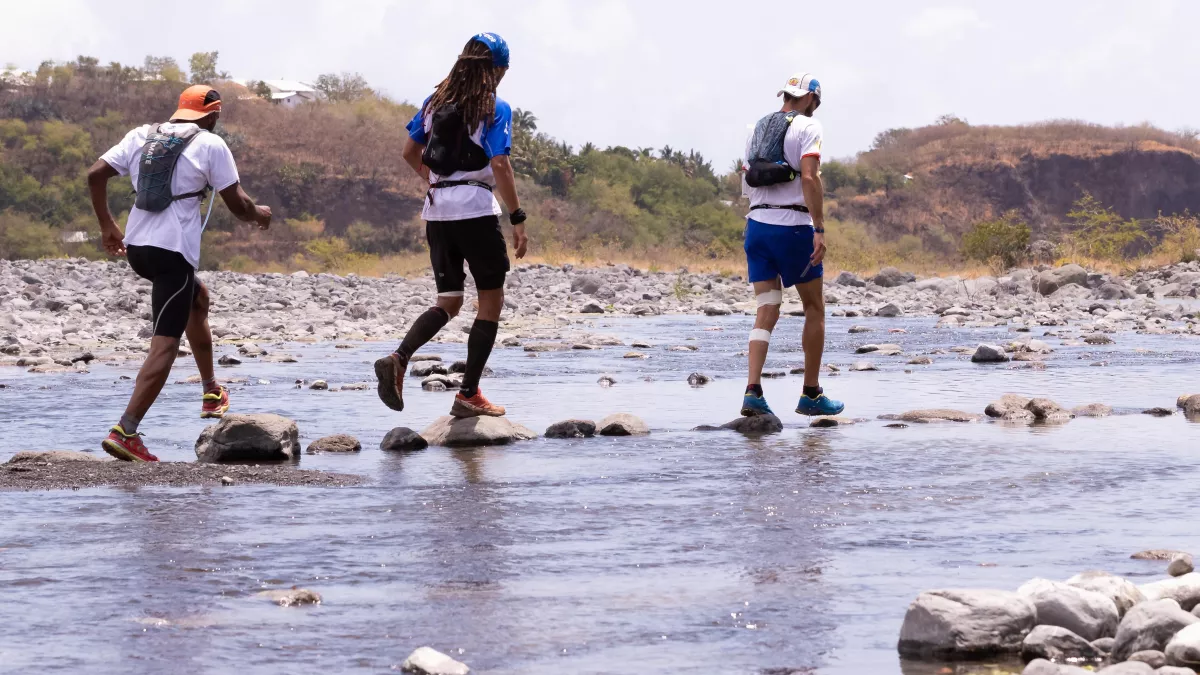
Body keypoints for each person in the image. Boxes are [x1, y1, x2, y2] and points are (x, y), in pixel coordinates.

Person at [88, 84, 272, 461]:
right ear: (214, 115)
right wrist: (259, 215)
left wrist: (107, 225)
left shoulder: (142, 134)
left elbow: (95, 174)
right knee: (166, 344)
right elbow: (238, 204)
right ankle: (126, 430)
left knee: (198, 300)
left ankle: (211, 391)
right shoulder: (211, 144)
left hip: (139, 249)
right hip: (172, 253)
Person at [374, 32, 528, 418]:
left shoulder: (433, 103)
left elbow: (410, 151)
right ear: (496, 70)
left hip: (437, 212)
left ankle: (400, 356)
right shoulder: (495, 107)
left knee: (449, 301)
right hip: (476, 211)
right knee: (491, 299)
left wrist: (435, 182)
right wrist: (517, 217)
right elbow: (499, 165)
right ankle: (468, 395)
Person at [739, 73, 844, 418]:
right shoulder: (808, 127)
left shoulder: (758, 127)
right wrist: (819, 228)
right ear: (810, 98)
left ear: (785, 94)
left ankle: (753, 390)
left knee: (767, 307)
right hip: (793, 228)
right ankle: (810, 393)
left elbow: (746, 182)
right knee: (814, 307)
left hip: (756, 226)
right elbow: (810, 177)